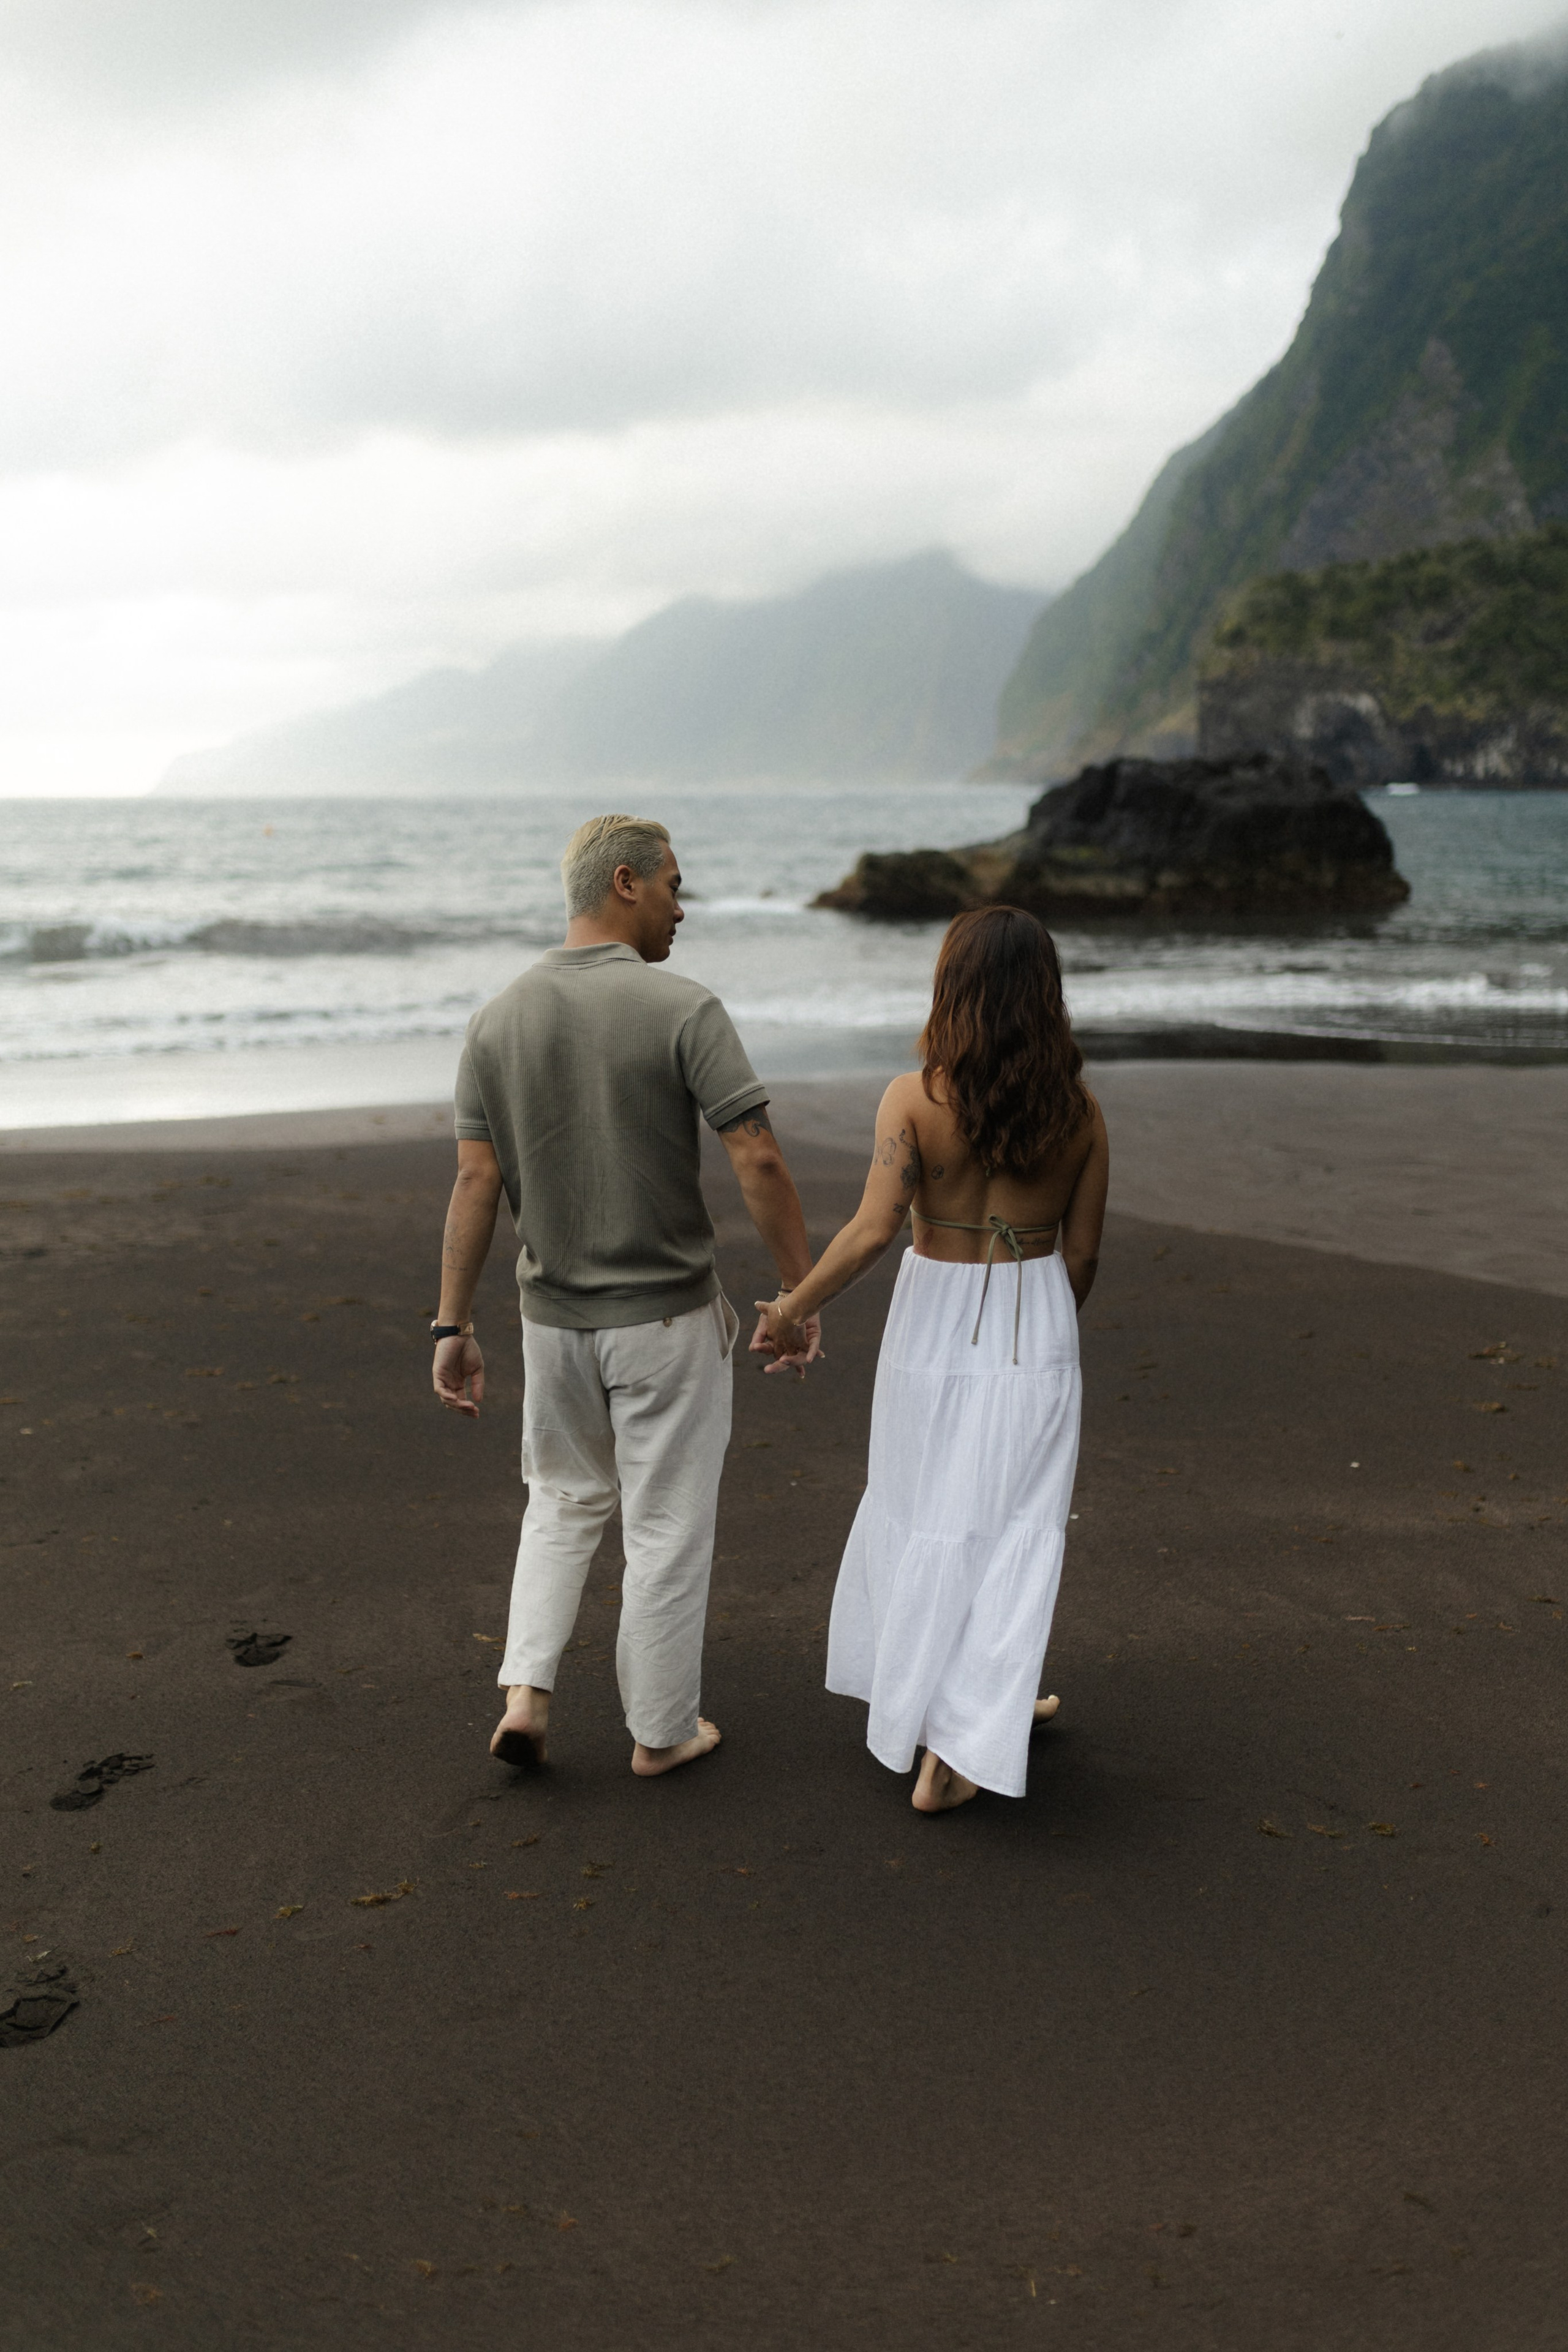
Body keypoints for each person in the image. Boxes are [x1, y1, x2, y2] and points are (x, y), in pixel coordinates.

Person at [431, 815, 821, 1780]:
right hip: (665, 1323)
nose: (684, 908)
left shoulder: (495, 1019)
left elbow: (476, 1183)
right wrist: (799, 1292)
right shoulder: (683, 1008)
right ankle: (660, 1731)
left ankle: (526, 1695)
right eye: (675, 886)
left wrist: (451, 1324)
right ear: (626, 882)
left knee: (559, 1503)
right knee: (665, 1525)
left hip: (550, 1323)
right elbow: (757, 1154)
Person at [756, 905, 1107, 1813]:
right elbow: (1083, 1257)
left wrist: (793, 1310)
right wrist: (1040, 1327)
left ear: (953, 986)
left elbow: (874, 1230)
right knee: (1014, 1523)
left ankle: (965, 1708)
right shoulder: (1080, 1110)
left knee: (927, 1505)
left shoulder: (914, 1099)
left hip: (933, 1317)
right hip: (1035, 1314)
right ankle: (959, 1744)